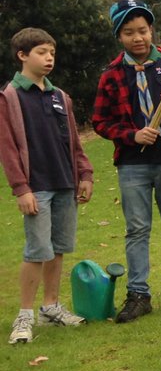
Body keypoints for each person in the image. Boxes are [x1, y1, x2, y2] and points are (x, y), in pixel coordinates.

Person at [93, 0, 161, 322]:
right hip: (132, 165)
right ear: (119, 35)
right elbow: (100, 121)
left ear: (151, 30)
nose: (138, 37)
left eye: (142, 30)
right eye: (129, 32)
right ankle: (139, 294)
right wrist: (132, 136)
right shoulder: (112, 75)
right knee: (137, 230)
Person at [1, 28, 93, 343]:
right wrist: (21, 189)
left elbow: (75, 142)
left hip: (65, 184)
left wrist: (85, 174)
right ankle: (24, 316)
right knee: (36, 251)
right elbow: (8, 149)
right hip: (35, 186)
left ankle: (50, 307)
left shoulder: (60, 97)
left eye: (51, 52)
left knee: (58, 249)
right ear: (22, 55)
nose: (49, 58)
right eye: (41, 52)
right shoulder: (9, 97)